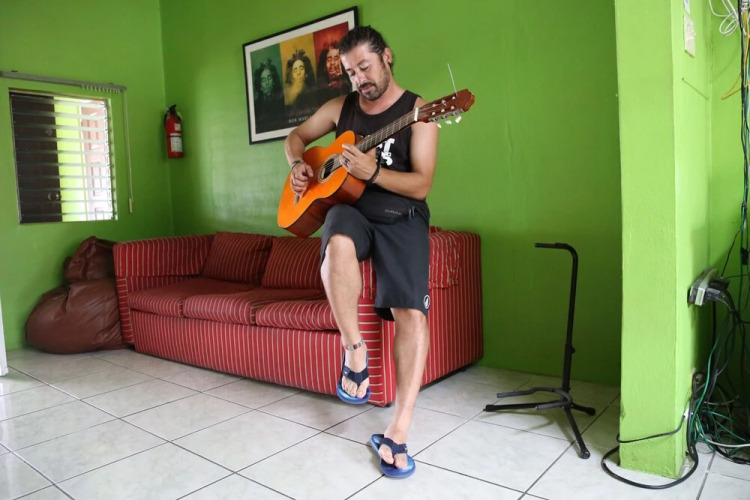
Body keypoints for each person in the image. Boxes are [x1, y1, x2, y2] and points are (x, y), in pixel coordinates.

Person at [284, 25, 438, 479]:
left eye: (365, 68)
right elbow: (296, 138)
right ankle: (355, 351)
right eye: (351, 73)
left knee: (412, 314)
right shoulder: (341, 108)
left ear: (387, 57)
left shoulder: (421, 113)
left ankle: (399, 428)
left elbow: (422, 184)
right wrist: (298, 165)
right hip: (351, 210)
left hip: (403, 215)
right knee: (337, 236)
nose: (360, 80)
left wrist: (374, 173)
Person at [283, 49, 317, 120]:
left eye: (301, 69)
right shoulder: (288, 97)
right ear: (291, 75)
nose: (298, 73)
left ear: (306, 72)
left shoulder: (313, 92)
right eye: (295, 70)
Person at [253, 59, 284, 132]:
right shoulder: (256, 106)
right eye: (263, 80)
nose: (267, 82)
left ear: (273, 81)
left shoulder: (282, 100)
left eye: (269, 78)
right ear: (260, 85)